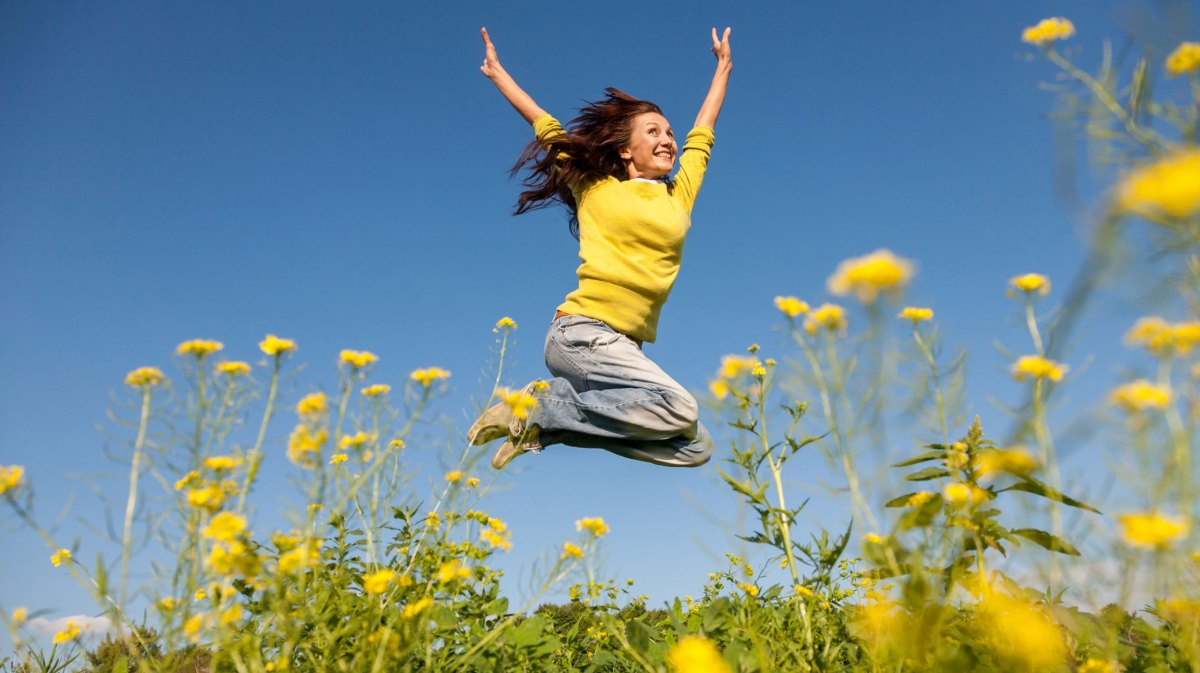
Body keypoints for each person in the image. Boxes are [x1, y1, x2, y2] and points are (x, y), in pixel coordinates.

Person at [471, 26, 733, 470]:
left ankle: (545, 426)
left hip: (624, 350)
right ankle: (538, 408)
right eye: (653, 131)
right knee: (679, 407)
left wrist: (724, 68)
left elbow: (702, 135)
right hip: (580, 334)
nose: (668, 138)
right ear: (628, 150)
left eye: (669, 131)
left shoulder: (678, 195)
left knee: (694, 445)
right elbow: (546, 126)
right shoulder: (592, 185)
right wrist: (498, 74)